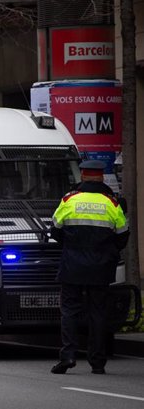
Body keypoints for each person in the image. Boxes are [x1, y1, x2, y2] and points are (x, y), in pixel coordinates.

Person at [49, 160, 129, 375]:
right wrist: (107, 252)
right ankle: (98, 362)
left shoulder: (69, 200)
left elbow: (54, 231)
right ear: (101, 177)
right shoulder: (112, 204)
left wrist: (72, 247)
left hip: (72, 266)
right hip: (101, 268)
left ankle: (68, 356)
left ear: (82, 176)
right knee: (98, 313)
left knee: (69, 312)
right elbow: (123, 235)